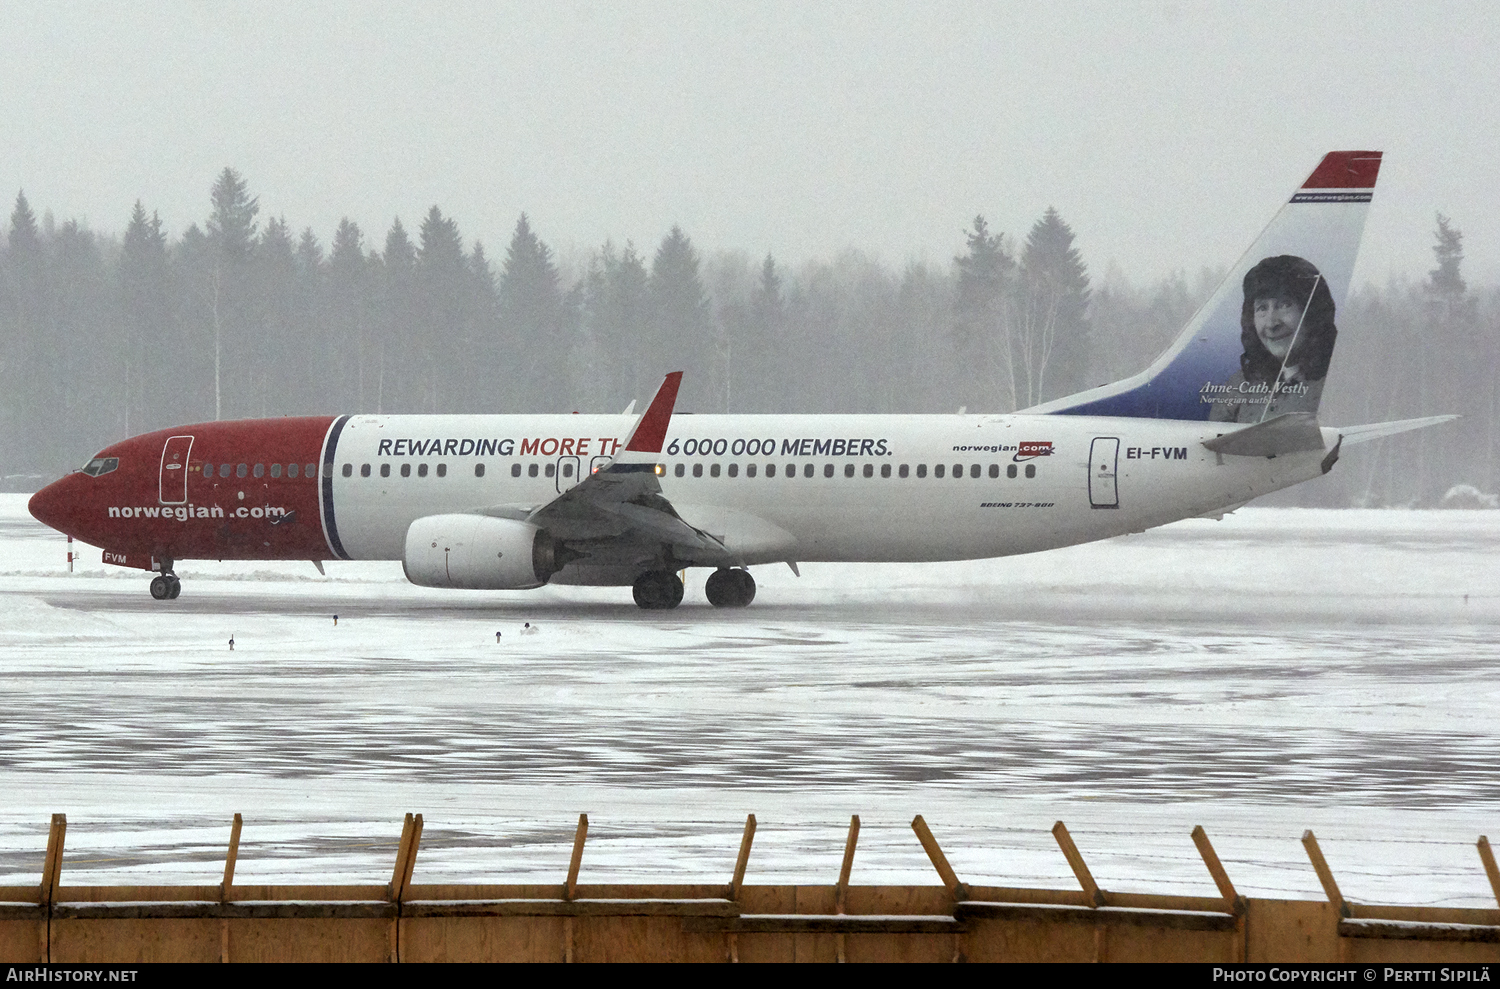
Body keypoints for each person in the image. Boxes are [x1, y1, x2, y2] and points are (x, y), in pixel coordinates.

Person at [1208, 255, 1337, 423]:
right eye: (1262, 308)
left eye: (1284, 305)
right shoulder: (1238, 386)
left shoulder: (1338, 384)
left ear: (1312, 313)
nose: (1271, 323)